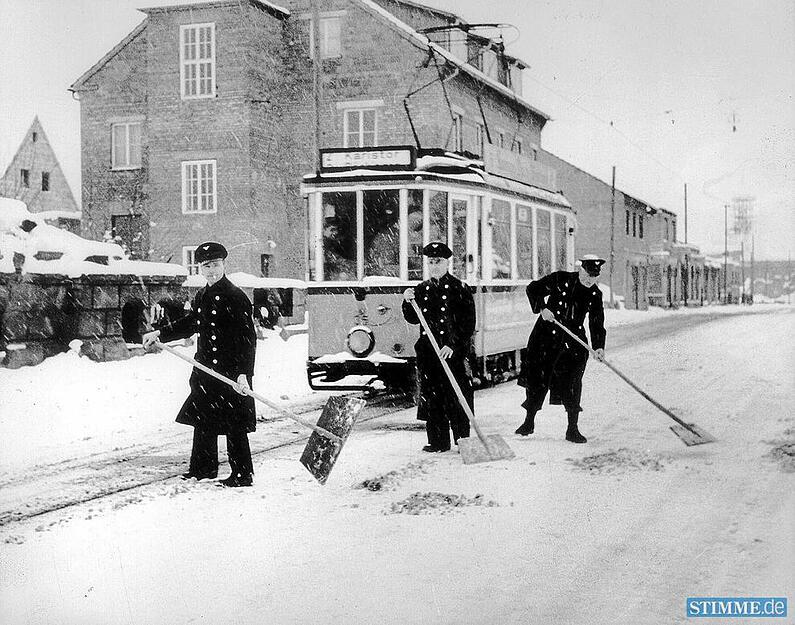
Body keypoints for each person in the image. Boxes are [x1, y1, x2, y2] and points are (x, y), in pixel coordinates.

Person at [142, 241, 257, 487]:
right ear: (200, 269)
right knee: (204, 419)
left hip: (231, 372)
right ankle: (203, 469)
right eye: (206, 266)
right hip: (205, 370)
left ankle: (242, 473)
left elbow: (248, 339)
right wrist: (160, 334)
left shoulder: (236, 297)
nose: (211, 270)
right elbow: (191, 322)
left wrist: (244, 373)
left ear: (224, 264)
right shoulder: (202, 295)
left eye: (215, 265)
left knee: (234, 422)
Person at [515, 254, 607, 443]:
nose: (590, 280)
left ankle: (572, 429)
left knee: (573, 384)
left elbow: (597, 323)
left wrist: (598, 347)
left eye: (594, 277)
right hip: (545, 338)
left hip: (573, 344)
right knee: (537, 382)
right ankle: (528, 422)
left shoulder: (595, 294)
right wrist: (542, 308)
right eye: (587, 275)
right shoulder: (560, 279)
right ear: (581, 269)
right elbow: (533, 289)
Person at [402, 241, 476, 452]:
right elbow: (412, 318)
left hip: (452, 353)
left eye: (438, 261)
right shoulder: (422, 289)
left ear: (446, 263)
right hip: (430, 353)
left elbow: (468, 324)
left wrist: (453, 346)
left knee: (457, 396)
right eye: (431, 262)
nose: (434, 265)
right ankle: (438, 441)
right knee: (433, 397)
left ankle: (463, 440)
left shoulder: (459, 289)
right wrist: (407, 301)